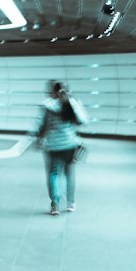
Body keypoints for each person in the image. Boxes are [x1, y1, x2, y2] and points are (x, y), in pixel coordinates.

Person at [32, 80, 87, 215]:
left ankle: (55, 204)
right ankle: (70, 203)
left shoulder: (46, 106)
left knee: (53, 173)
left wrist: (38, 139)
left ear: (52, 92)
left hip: (52, 145)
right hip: (69, 144)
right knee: (69, 174)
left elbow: (42, 126)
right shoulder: (71, 103)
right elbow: (82, 121)